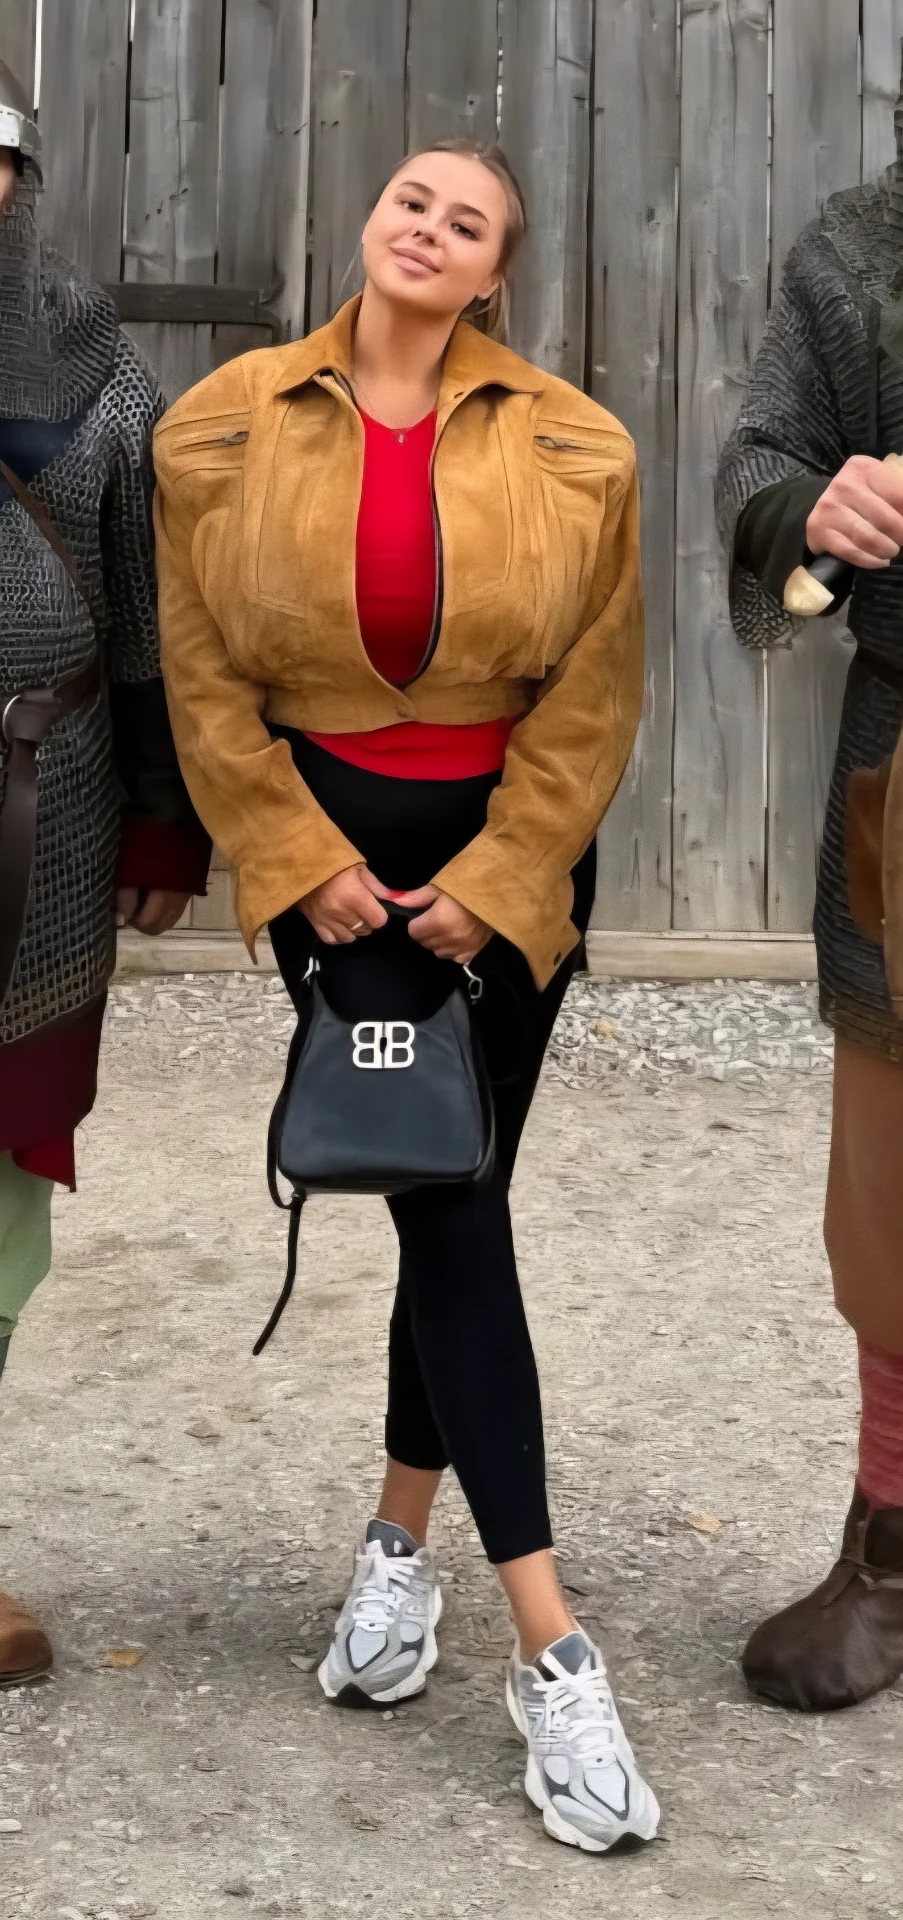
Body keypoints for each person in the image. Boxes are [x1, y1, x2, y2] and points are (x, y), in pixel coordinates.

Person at [154, 137, 657, 1852]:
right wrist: (296, 858)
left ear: (497, 270)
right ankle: (552, 1644)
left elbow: (597, 687)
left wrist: (507, 879)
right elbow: (204, 677)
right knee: (450, 1200)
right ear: (369, 221)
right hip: (338, 865)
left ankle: (395, 1547)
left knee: (459, 1183)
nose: (428, 228)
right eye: (411, 201)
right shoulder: (219, 425)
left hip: (504, 863)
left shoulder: (578, 446)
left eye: (468, 220)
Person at [0, 62, 210, 1685]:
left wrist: (160, 817)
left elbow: (145, 604)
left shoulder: (93, 360)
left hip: (39, 807)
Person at [716, 45, 903, 1713]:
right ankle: (895, 1561)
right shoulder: (857, 253)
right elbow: (763, 454)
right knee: (895, 1181)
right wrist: (815, 509)